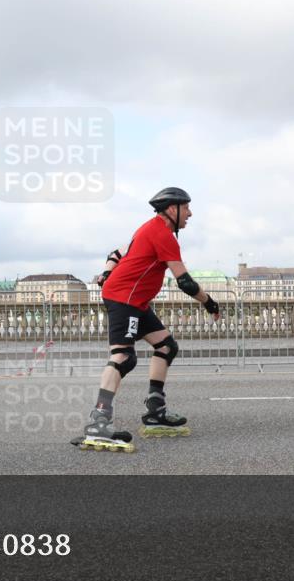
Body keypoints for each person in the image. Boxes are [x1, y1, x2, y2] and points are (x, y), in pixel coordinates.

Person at [72, 187, 221, 453]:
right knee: (123, 357)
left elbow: (116, 253)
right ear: (172, 209)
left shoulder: (148, 228)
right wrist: (209, 302)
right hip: (124, 299)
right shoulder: (162, 234)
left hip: (135, 302)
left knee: (166, 346)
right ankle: (99, 422)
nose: (190, 213)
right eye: (187, 208)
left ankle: (155, 410)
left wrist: (106, 273)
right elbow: (185, 282)